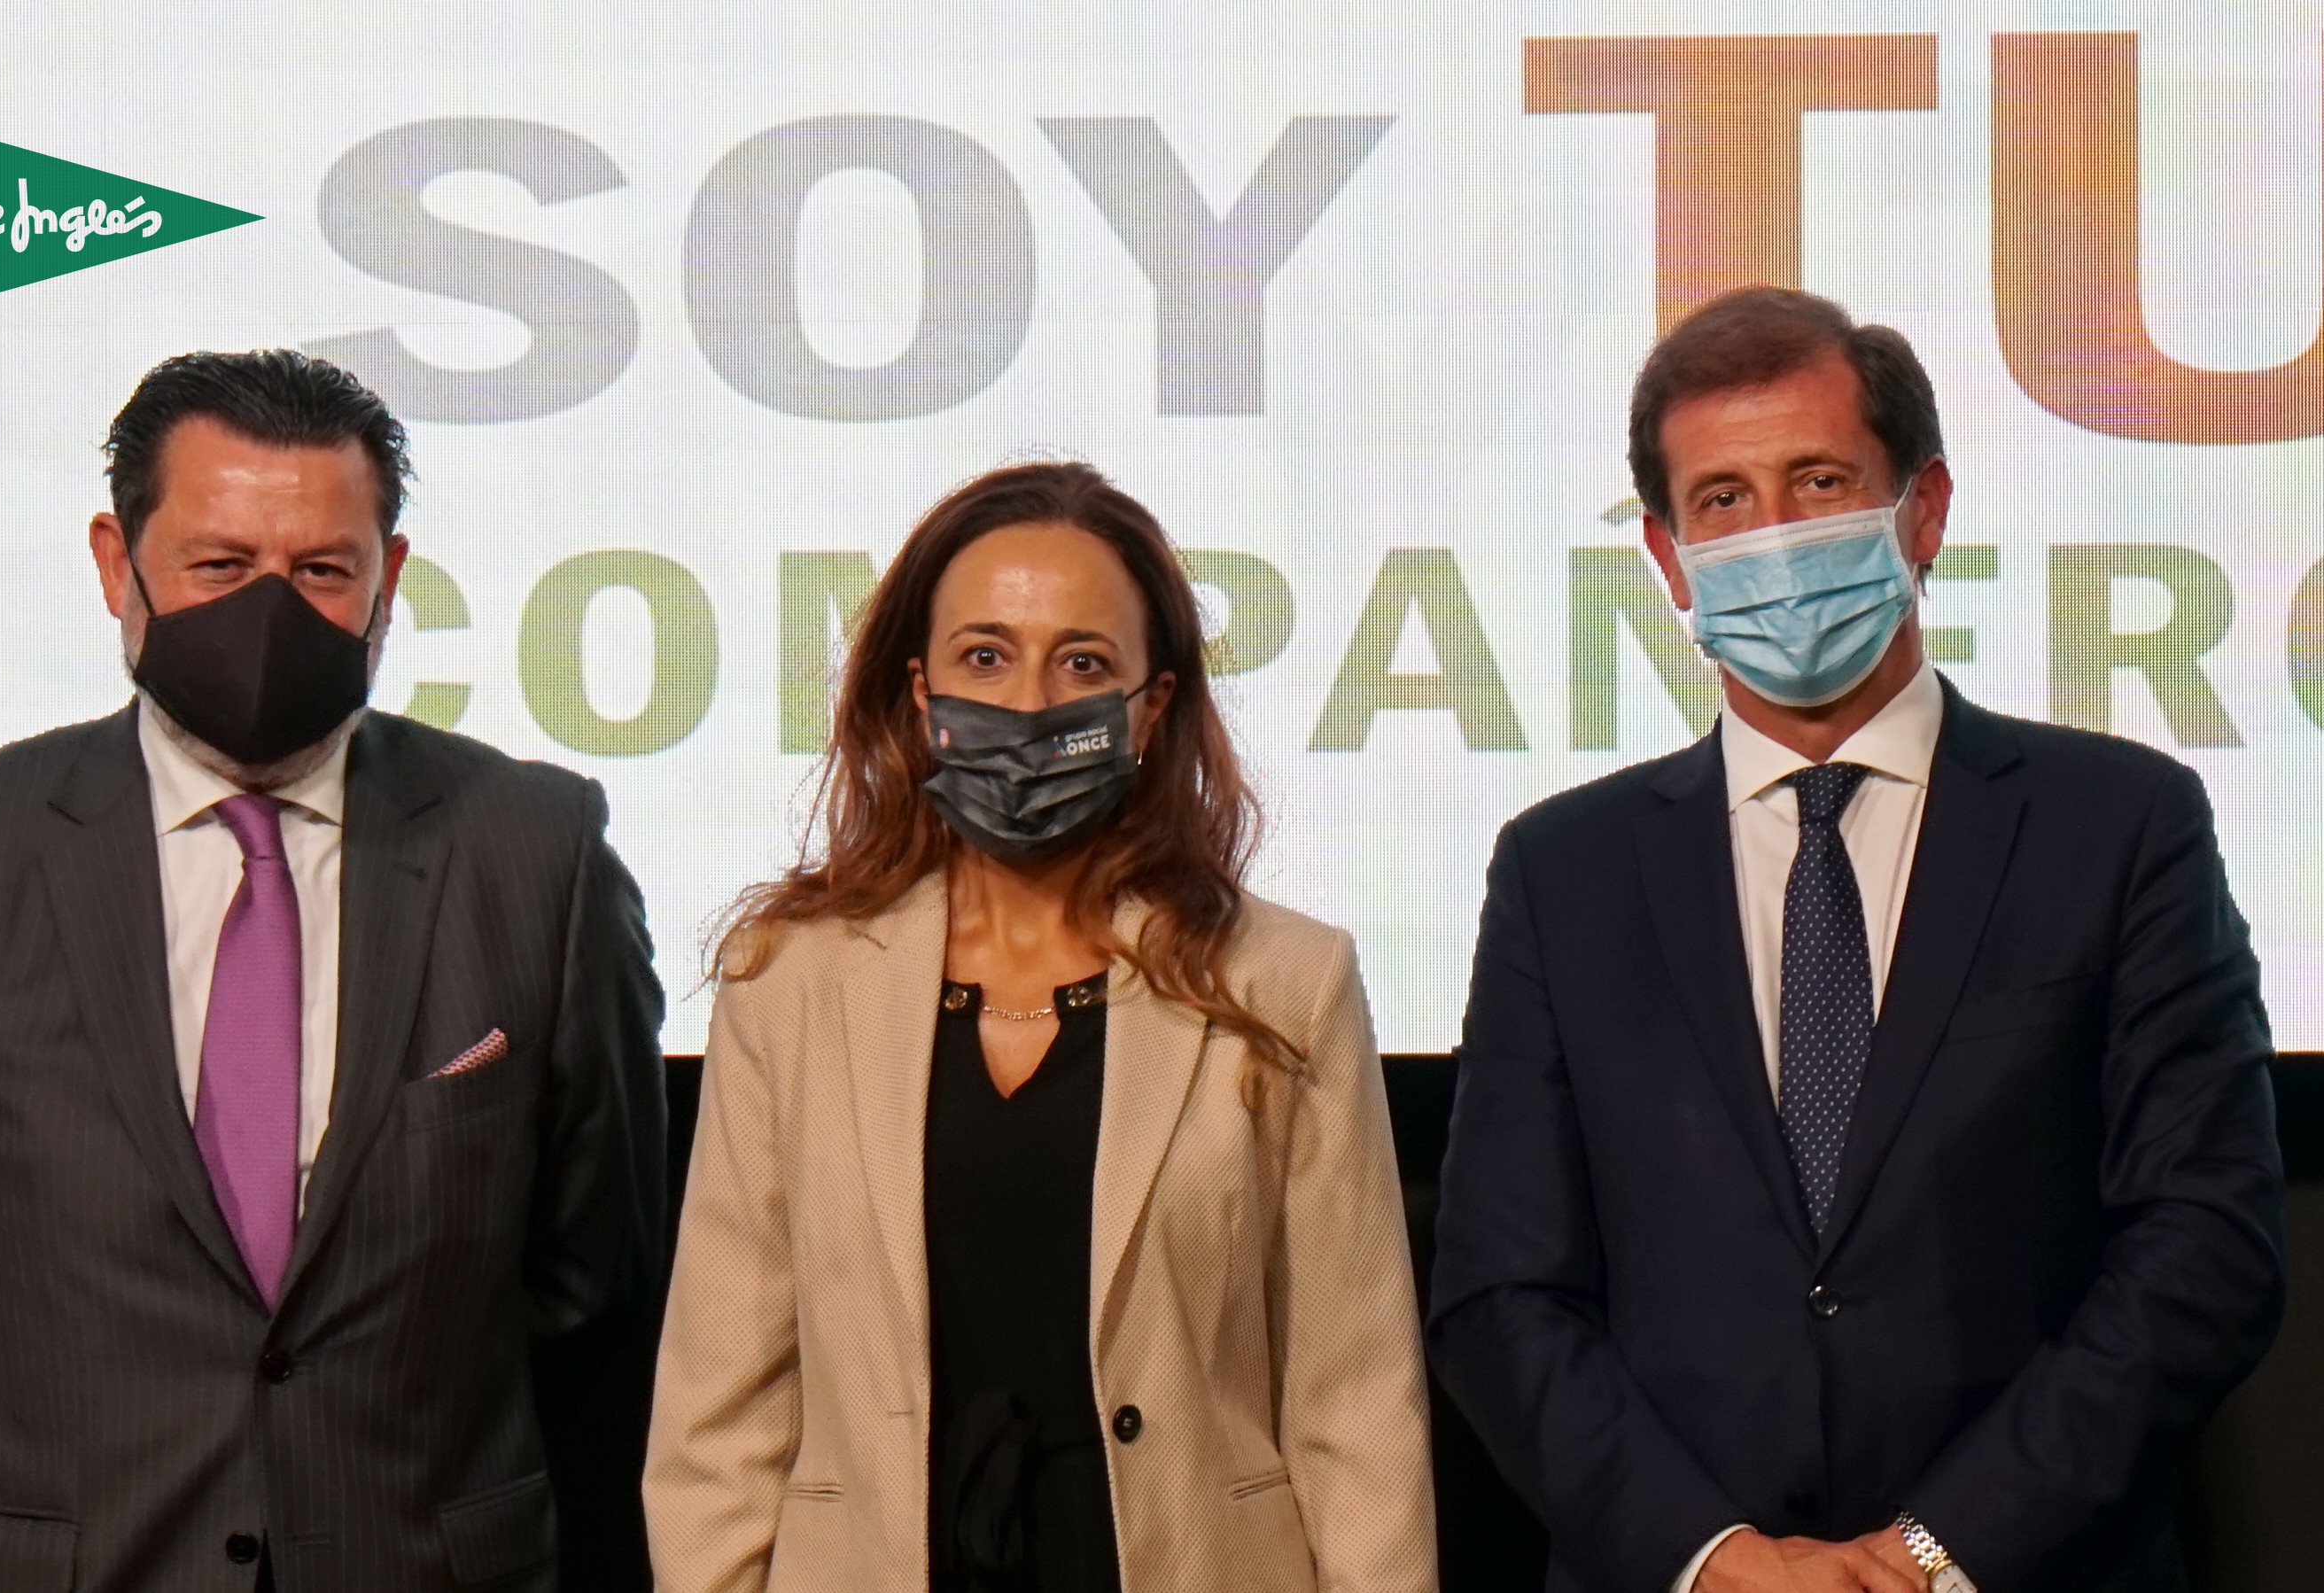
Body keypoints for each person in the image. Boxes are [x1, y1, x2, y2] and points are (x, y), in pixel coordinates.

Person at [1427, 287, 2284, 1593]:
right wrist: (1714, 1559)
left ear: (1921, 508)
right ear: (1666, 558)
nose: (1773, 535)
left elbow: (2203, 1238)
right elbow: (1500, 1289)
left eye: (1818, 482)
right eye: (1722, 500)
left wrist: (1933, 1554)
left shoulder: (2118, 824)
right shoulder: (1560, 872)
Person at [0, 351, 666, 1593]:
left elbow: (594, 1276)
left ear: (389, 579)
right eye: (219, 565)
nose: (272, 612)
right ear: (117, 564)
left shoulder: (539, 851)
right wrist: (35, 1453)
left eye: (322, 570)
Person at [644, 461, 1434, 1593]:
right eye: (984, 656)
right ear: (919, 692)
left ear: (1150, 706)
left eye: (1081, 662)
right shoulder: (788, 981)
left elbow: (1353, 1403)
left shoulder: (1285, 980)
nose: (1026, 703)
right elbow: (720, 1412)